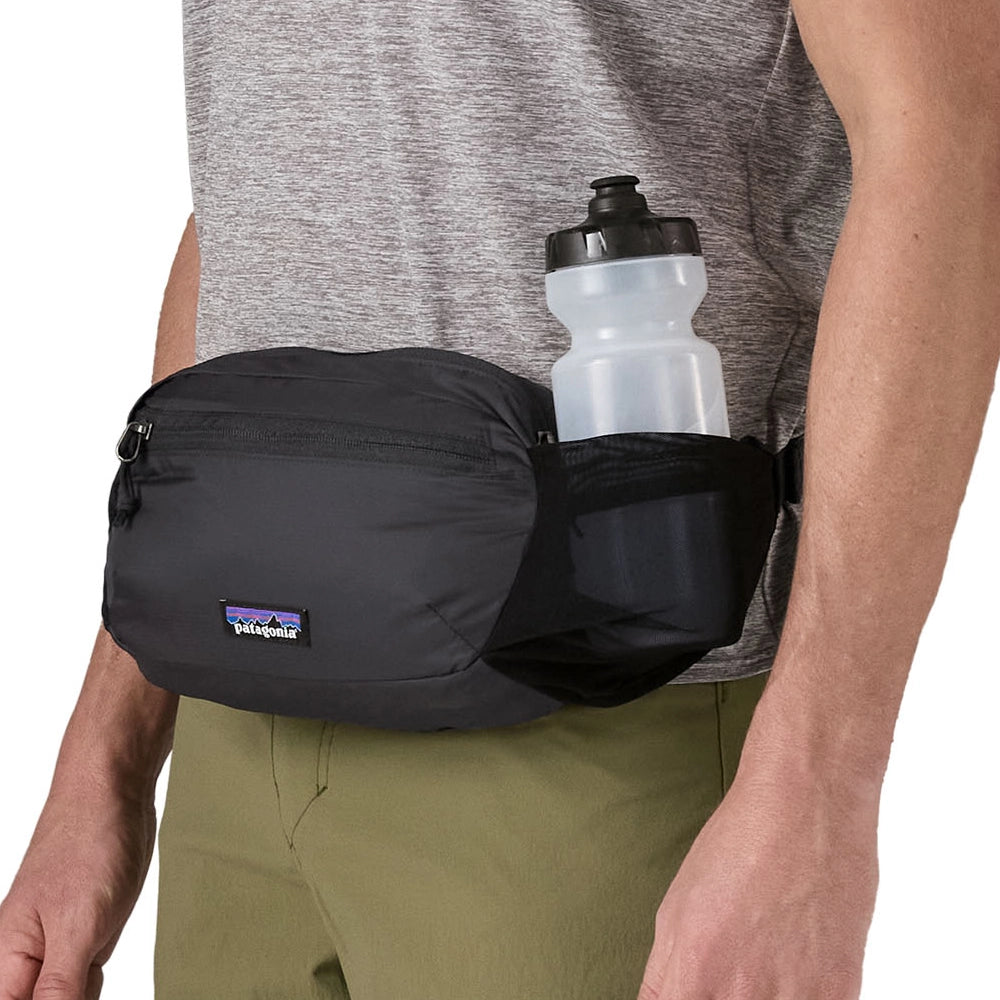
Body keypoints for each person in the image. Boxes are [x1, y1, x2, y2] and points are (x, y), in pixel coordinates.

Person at [1, 0, 997, 997]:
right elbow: (249, 205)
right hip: (232, 711)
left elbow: (951, 143)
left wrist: (817, 796)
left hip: (592, 719)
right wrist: (105, 757)